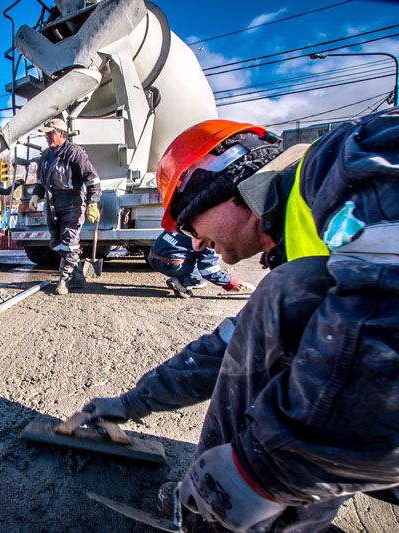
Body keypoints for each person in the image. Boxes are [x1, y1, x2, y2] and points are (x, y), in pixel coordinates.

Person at [80, 110, 399, 531]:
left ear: (231, 190)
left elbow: (386, 330)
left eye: (190, 222)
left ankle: (226, 513)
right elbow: (230, 347)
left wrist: (261, 473)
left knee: (288, 293)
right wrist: (133, 402)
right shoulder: (295, 239)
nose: (194, 241)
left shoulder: (352, 160)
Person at [28, 118, 100, 295]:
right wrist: (36, 194)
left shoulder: (75, 153)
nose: (47, 137)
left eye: (50, 133)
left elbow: (92, 179)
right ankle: (77, 276)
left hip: (72, 204)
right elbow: (41, 180)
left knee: (70, 242)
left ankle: (63, 280)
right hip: (53, 205)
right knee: (58, 243)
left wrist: (93, 202)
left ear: (61, 133)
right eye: (46, 134)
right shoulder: (45, 156)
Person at [147, 230, 254, 298]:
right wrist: (232, 284)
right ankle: (181, 282)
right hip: (170, 265)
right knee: (201, 279)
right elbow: (209, 271)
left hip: (151, 258)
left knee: (191, 257)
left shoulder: (191, 220)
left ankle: (180, 274)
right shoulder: (211, 237)